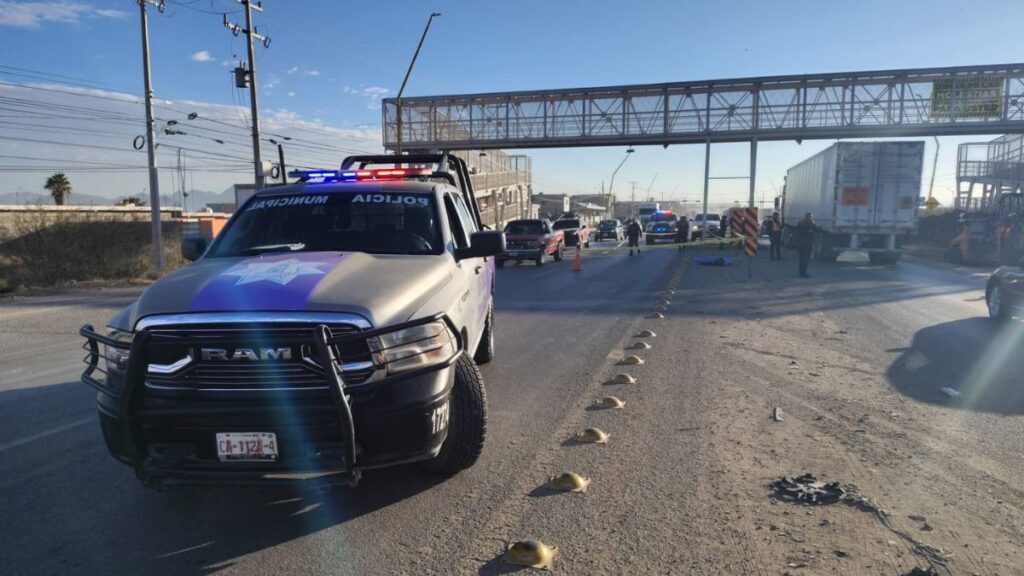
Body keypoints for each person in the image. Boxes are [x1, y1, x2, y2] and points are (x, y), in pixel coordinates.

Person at [792, 212, 820, 278]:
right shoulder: (802, 224)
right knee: (803, 259)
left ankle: (803, 272)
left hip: (808, 244)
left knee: (806, 259)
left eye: (811, 217)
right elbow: (797, 234)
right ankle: (802, 273)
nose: (811, 218)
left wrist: (814, 223)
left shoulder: (811, 224)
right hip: (803, 244)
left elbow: (819, 229)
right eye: (810, 217)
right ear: (806, 217)